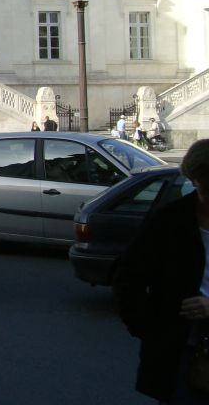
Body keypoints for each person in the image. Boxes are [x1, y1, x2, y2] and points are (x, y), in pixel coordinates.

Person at [114, 139, 209, 403]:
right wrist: (149, 329)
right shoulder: (168, 220)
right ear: (196, 179)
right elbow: (128, 277)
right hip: (178, 346)